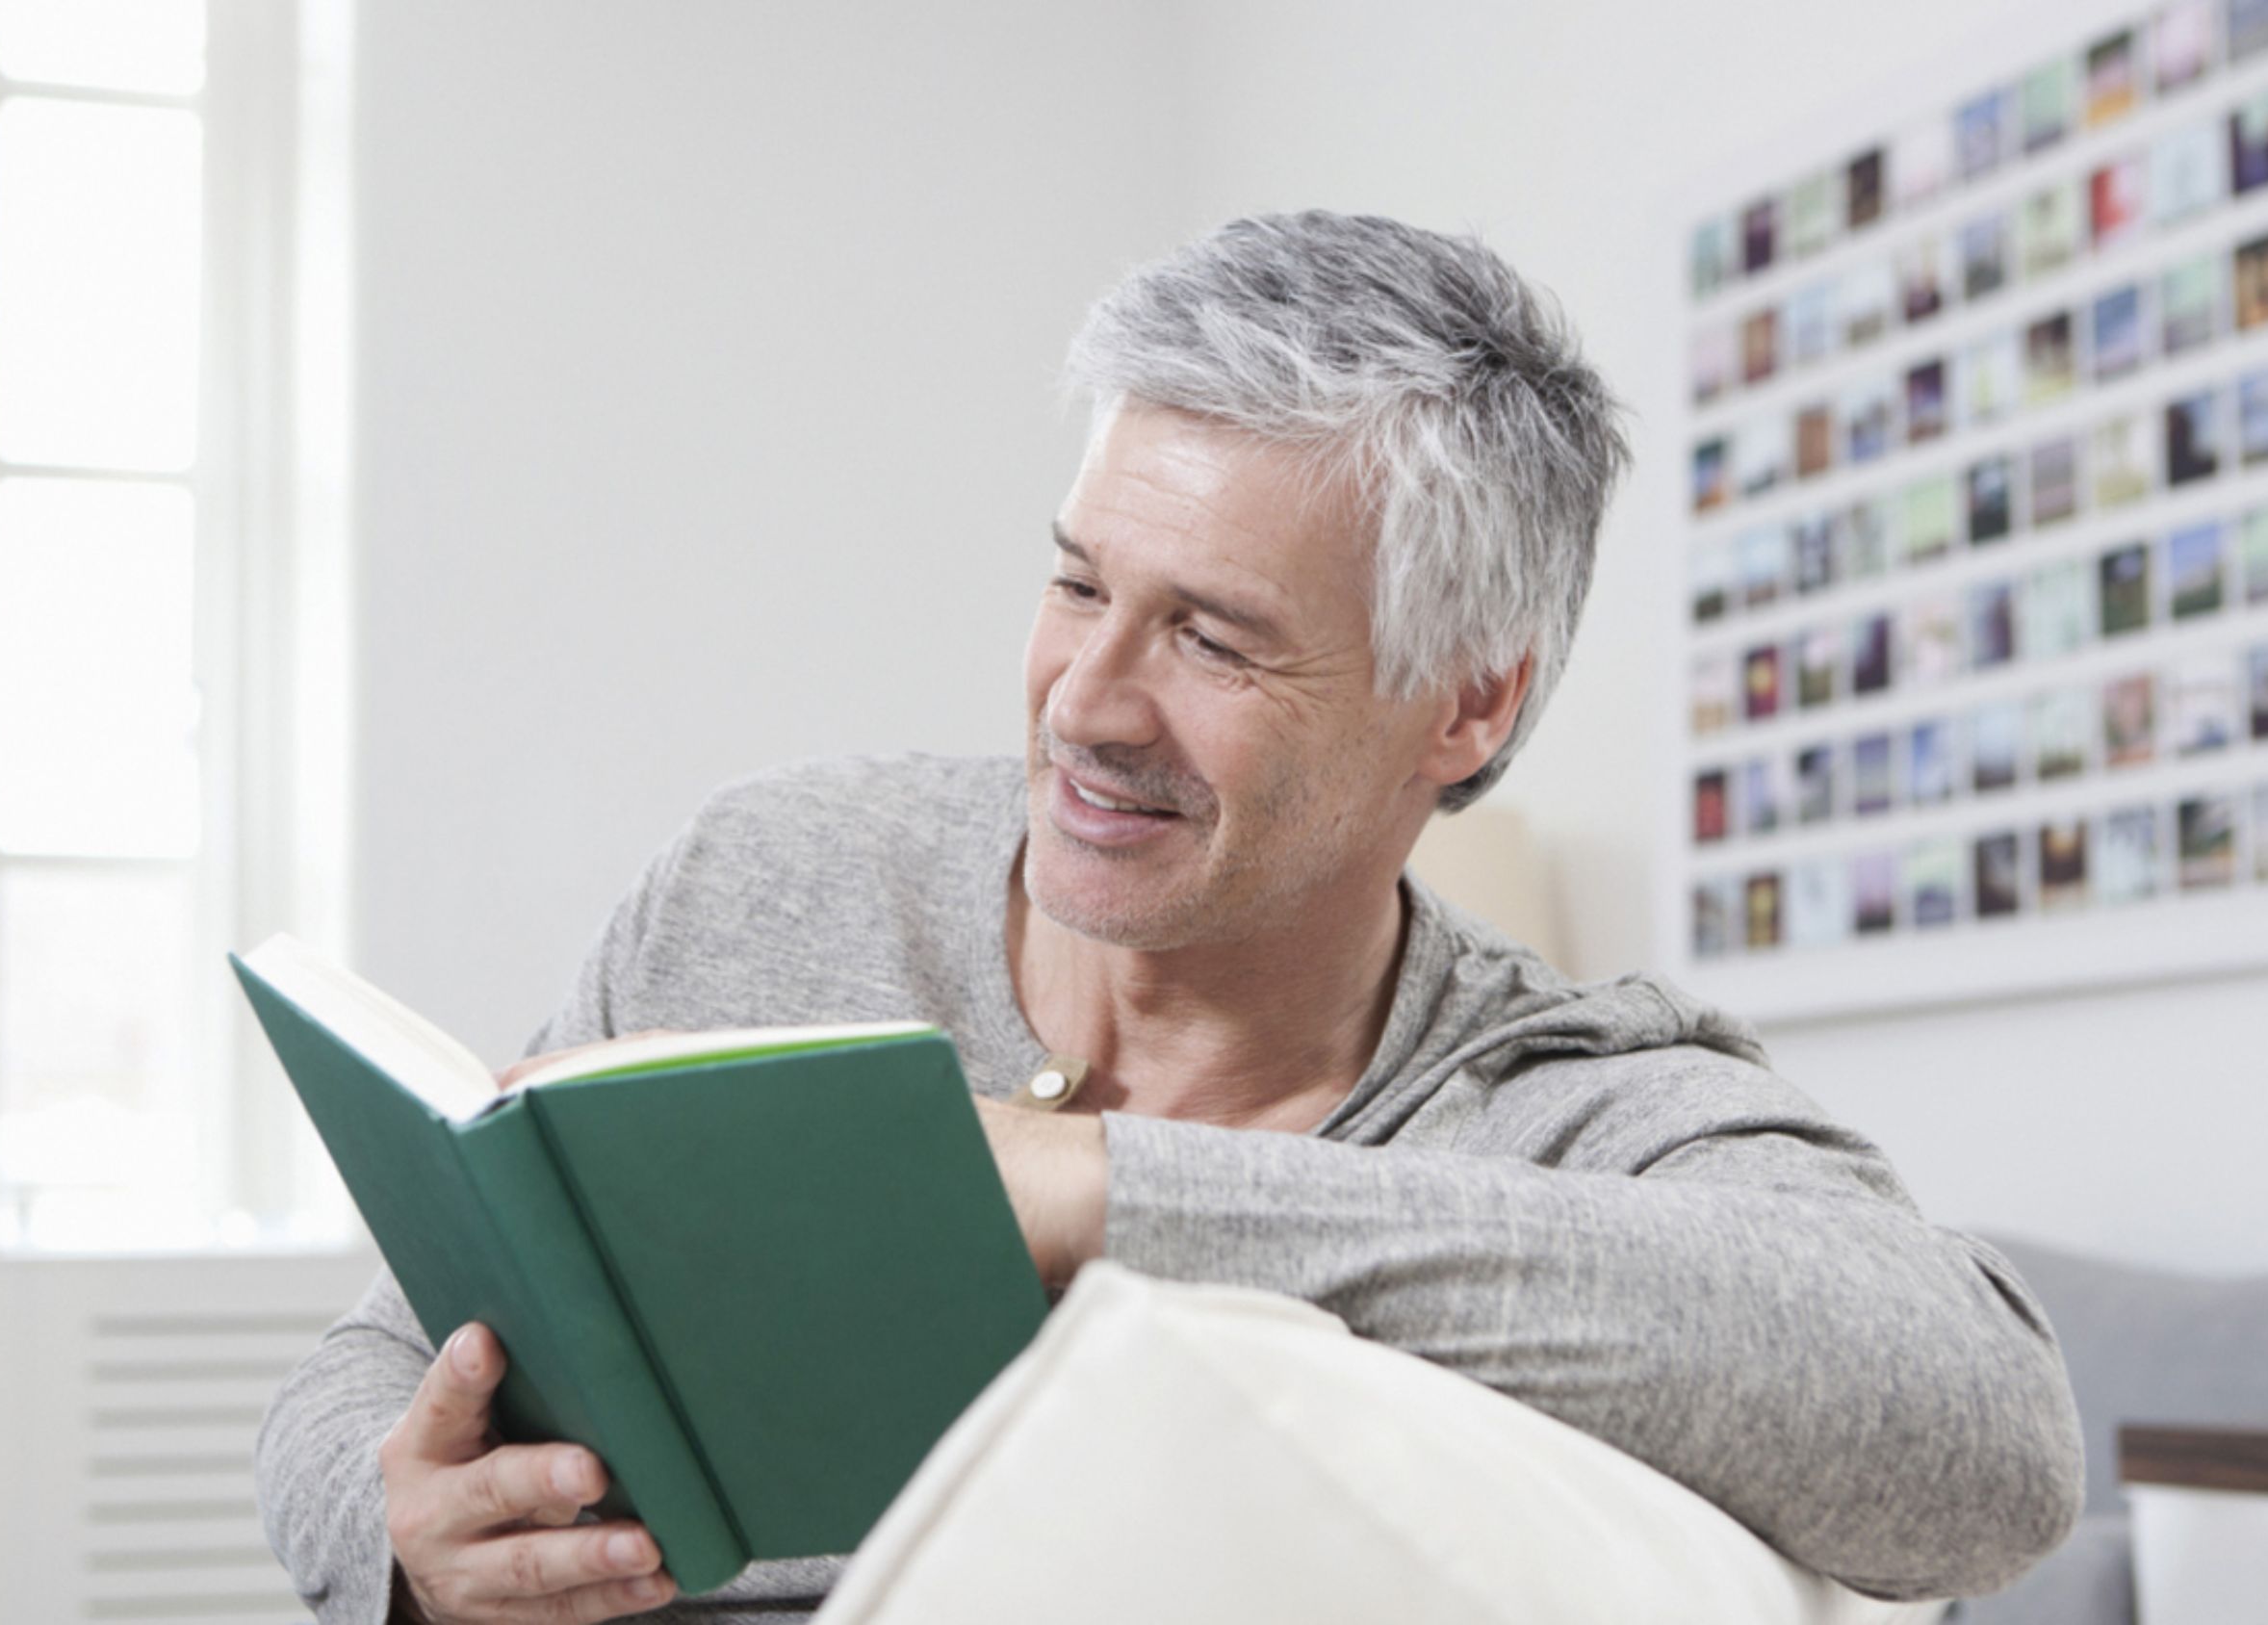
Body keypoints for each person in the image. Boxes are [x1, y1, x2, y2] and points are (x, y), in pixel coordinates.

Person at [256, 211, 2086, 1625]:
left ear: (1465, 704)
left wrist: (1102, 1196)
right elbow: (376, 1366)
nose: (1088, 701)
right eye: (1076, 585)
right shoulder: (773, 880)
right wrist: (412, 1546)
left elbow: (1985, 1438)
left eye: (1214, 638)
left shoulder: (1555, 1099)